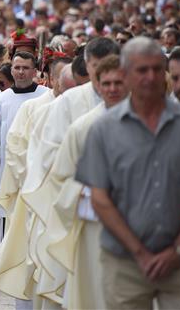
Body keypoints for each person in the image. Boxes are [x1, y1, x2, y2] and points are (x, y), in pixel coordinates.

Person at [76, 38, 180, 309]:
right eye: (141, 70)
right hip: (124, 261)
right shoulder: (102, 130)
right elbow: (100, 198)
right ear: (126, 74)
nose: (150, 77)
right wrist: (140, 253)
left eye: (155, 69)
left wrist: (177, 248)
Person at [21, 37, 120, 307]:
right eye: (95, 67)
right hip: (80, 209)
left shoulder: (133, 99)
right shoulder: (68, 103)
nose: (101, 76)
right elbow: (49, 158)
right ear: (86, 64)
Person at [43, 55, 128, 310]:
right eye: (107, 83)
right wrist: (91, 191)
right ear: (97, 85)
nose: (112, 89)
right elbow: (60, 176)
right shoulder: (82, 127)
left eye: (119, 83)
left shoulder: (146, 123)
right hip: (93, 225)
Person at [0, 51, 48, 269]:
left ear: (35, 71)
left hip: (38, 171)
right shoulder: (2, 100)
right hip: (8, 172)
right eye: (17, 67)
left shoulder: (47, 96)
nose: (21, 72)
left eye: (26, 68)